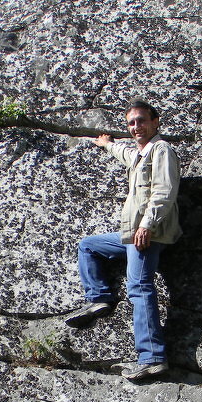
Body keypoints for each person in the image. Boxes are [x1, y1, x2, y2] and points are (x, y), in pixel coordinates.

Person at [65, 99, 182, 382]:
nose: (136, 127)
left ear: (155, 122)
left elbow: (165, 190)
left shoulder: (162, 149)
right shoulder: (141, 154)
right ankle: (99, 299)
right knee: (88, 246)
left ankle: (152, 357)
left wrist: (147, 225)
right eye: (131, 122)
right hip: (131, 233)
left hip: (148, 232)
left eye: (141, 120)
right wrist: (107, 144)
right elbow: (126, 153)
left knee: (139, 287)